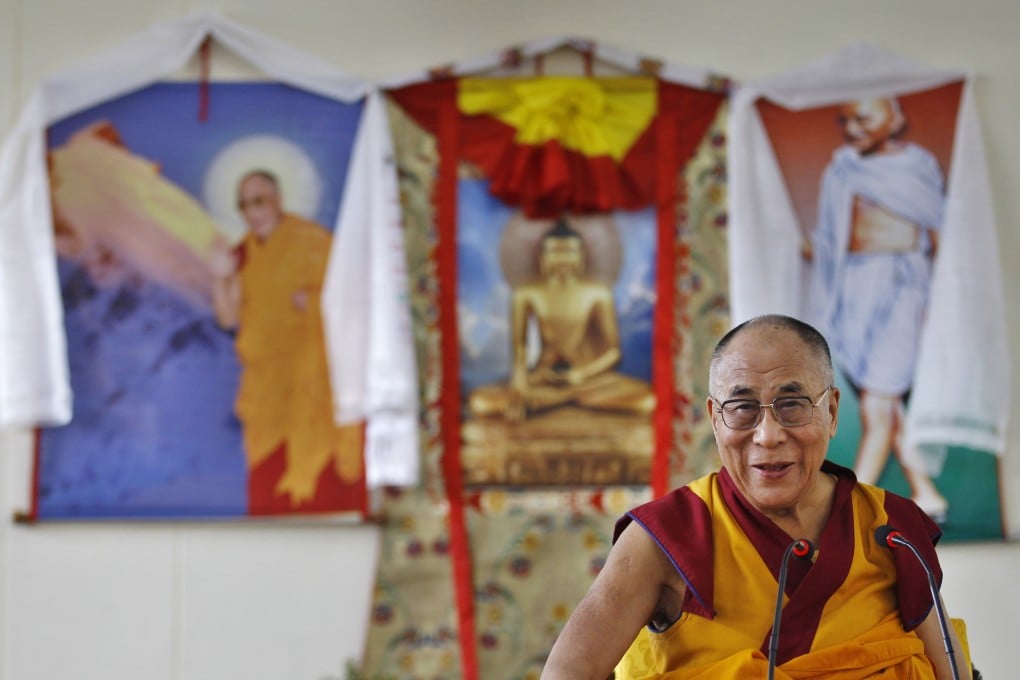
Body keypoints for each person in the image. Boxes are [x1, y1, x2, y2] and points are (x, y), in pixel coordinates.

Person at [542, 314, 970, 679]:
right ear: (715, 419)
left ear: (833, 412)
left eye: (793, 404)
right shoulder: (668, 537)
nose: (767, 436)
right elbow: (566, 672)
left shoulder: (889, 527)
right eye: (742, 408)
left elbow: (952, 670)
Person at [808, 97, 948, 521]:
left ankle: (849, 505)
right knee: (884, 401)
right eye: (845, 119)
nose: (853, 128)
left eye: (864, 118)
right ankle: (926, 492)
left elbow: (941, 231)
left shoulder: (918, 166)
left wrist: (940, 304)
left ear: (895, 117)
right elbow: (831, 237)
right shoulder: (841, 168)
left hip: (903, 287)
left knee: (878, 407)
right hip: (854, 290)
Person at [210, 169, 363, 513]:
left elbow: (352, 299)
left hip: (311, 387)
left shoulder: (314, 243)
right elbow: (227, 318)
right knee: (268, 489)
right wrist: (220, 279)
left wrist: (315, 301)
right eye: (244, 206)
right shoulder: (241, 254)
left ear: (278, 201)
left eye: (259, 202)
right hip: (266, 393)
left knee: (320, 490)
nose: (252, 213)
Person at [467, 219, 655, 422]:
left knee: (647, 399)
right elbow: (520, 349)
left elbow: (613, 353)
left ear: (582, 256)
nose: (562, 258)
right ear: (542, 257)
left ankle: (558, 400)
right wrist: (519, 387)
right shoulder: (526, 294)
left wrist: (580, 375)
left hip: (590, 379)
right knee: (480, 401)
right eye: (555, 252)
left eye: (569, 251)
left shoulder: (598, 294)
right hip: (542, 378)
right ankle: (571, 399)